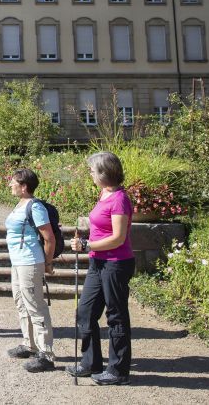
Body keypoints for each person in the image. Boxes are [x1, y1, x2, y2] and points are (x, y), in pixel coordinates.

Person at [68, 151, 135, 386]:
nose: (90, 174)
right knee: (84, 312)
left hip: (115, 264)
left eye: (92, 170)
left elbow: (118, 238)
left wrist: (86, 245)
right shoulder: (104, 193)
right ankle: (91, 362)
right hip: (98, 262)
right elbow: (102, 224)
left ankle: (118, 371)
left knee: (116, 317)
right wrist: (86, 230)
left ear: (104, 172)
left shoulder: (119, 199)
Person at [4, 168, 56, 372]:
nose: (10, 184)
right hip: (17, 262)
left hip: (29, 262)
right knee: (21, 303)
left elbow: (49, 238)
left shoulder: (35, 207)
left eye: (13, 182)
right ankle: (29, 344)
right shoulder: (20, 204)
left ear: (24, 187)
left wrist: (47, 263)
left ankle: (46, 354)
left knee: (35, 306)